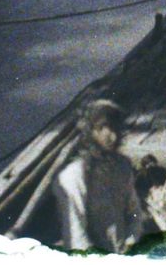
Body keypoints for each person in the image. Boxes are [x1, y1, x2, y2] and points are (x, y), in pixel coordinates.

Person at [56, 99, 147, 252]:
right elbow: (76, 235)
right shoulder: (75, 174)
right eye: (102, 128)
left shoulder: (122, 166)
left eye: (114, 128)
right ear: (89, 131)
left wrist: (131, 242)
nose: (111, 136)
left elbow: (135, 212)